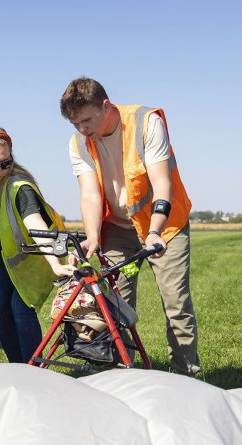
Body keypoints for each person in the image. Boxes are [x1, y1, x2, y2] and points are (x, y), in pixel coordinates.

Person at [59, 77, 201, 376]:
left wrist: (154, 231)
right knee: (115, 304)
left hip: (165, 226)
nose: (82, 129)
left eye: (86, 120)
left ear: (106, 106)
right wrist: (94, 235)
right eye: (75, 124)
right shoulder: (79, 142)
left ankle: (187, 376)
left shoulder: (146, 122)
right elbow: (90, 193)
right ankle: (121, 375)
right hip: (118, 229)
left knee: (176, 303)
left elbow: (161, 183)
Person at [0, 127, 75, 363]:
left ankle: (33, 370)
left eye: (5, 163)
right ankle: (17, 368)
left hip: (37, 257)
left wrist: (55, 265)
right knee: (1, 311)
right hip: (6, 259)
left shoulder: (20, 188)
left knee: (21, 310)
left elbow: (35, 225)